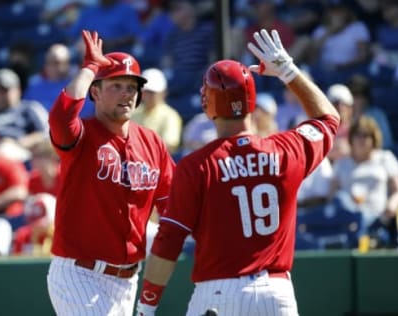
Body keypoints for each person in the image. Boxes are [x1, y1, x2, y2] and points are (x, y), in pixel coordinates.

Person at [136, 29, 340, 316]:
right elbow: (329, 118)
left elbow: (169, 241)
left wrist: (147, 305)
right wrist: (287, 70)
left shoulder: (197, 165)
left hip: (218, 295)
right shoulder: (286, 149)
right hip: (276, 294)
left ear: (208, 104)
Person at [46, 30, 175, 316]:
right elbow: (61, 117)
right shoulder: (82, 136)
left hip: (127, 280)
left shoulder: (152, 143)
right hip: (79, 273)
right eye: (116, 85)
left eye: (132, 86)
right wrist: (90, 68)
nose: (127, 93)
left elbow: (172, 206)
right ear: (95, 91)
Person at [328, 116, 398, 248]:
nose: (361, 139)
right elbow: (331, 196)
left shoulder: (385, 158)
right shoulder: (342, 163)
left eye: (365, 135)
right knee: (340, 199)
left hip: (377, 218)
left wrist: (392, 204)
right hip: (347, 218)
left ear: (373, 138)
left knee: (361, 217)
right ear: (351, 138)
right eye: (357, 134)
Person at [131, 67, 183, 155]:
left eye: (153, 92)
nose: (149, 95)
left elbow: (169, 146)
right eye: (146, 91)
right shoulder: (132, 113)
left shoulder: (170, 116)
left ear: (163, 93)